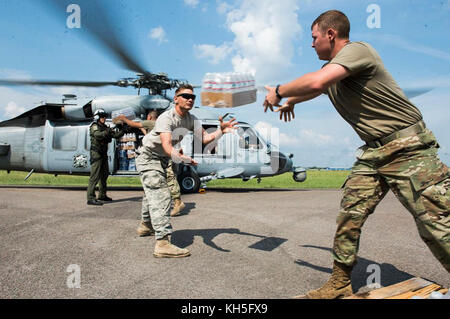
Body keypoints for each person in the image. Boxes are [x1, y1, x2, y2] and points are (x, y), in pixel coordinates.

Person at [263, 10, 449, 299]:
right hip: (374, 153)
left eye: (313, 37)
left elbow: (317, 83)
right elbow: (318, 89)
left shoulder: (357, 52)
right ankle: (339, 282)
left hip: (408, 148)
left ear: (330, 34)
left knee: (436, 224)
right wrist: (291, 101)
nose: (311, 45)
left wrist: (278, 90)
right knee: (349, 216)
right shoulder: (336, 73)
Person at [135, 84, 237, 258]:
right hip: (148, 157)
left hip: (163, 159)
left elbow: (205, 138)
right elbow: (167, 147)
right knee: (161, 195)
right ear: (176, 99)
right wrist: (181, 158)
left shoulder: (191, 119)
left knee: (151, 193)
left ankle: (146, 225)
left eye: (193, 97)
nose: (190, 99)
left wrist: (221, 131)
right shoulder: (166, 118)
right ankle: (162, 243)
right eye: (185, 96)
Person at [116, 110, 186, 238]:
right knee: (154, 190)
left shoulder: (152, 123)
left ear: (149, 117)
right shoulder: (163, 124)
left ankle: (160, 235)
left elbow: (133, 124)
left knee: (160, 191)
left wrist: (124, 119)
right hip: (159, 157)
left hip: (155, 158)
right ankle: (148, 225)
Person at [87, 108, 124, 205]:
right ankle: (90, 198)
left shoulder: (105, 127)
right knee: (95, 176)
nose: (104, 118)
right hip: (96, 153)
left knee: (104, 175)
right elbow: (98, 135)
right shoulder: (94, 126)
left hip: (103, 153)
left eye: (104, 116)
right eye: (102, 116)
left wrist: (123, 130)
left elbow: (115, 135)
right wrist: (107, 131)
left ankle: (102, 195)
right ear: (97, 117)